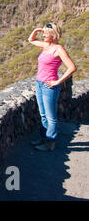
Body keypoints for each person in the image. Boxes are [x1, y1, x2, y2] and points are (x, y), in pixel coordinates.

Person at [28, 23, 76, 151]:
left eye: (46, 33)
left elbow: (72, 67)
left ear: (53, 35)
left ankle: (50, 143)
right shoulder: (46, 45)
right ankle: (44, 139)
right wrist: (37, 29)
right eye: (43, 33)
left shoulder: (58, 49)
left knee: (51, 117)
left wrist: (58, 82)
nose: (43, 35)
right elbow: (31, 40)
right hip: (39, 83)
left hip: (49, 86)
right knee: (43, 114)